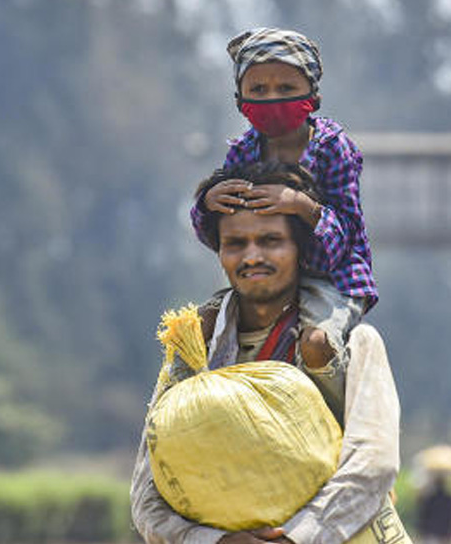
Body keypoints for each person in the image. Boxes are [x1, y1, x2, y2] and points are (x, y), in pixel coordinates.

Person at [132, 161, 401, 544]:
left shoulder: (355, 344)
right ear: (220, 253)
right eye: (236, 244)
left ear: (301, 250)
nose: (252, 256)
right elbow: (147, 493)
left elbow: (372, 466)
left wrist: (295, 538)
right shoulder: (195, 349)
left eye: (271, 241)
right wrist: (217, 541)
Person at [189, 27, 376, 373]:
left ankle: (337, 412)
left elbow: (347, 232)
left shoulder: (334, 149)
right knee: (196, 331)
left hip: (331, 277)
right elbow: (217, 228)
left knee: (317, 345)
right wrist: (207, 203)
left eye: (286, 88)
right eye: (259, 89)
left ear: (313, 95)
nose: (272, 98)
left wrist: (300, 205)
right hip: (265, 273)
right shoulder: (243, 151)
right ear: (240, 98)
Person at [415, 473, 451, 544]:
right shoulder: (450, 500)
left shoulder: (430, 498)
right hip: (444, 536)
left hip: (430, 535)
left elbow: (423, 515)